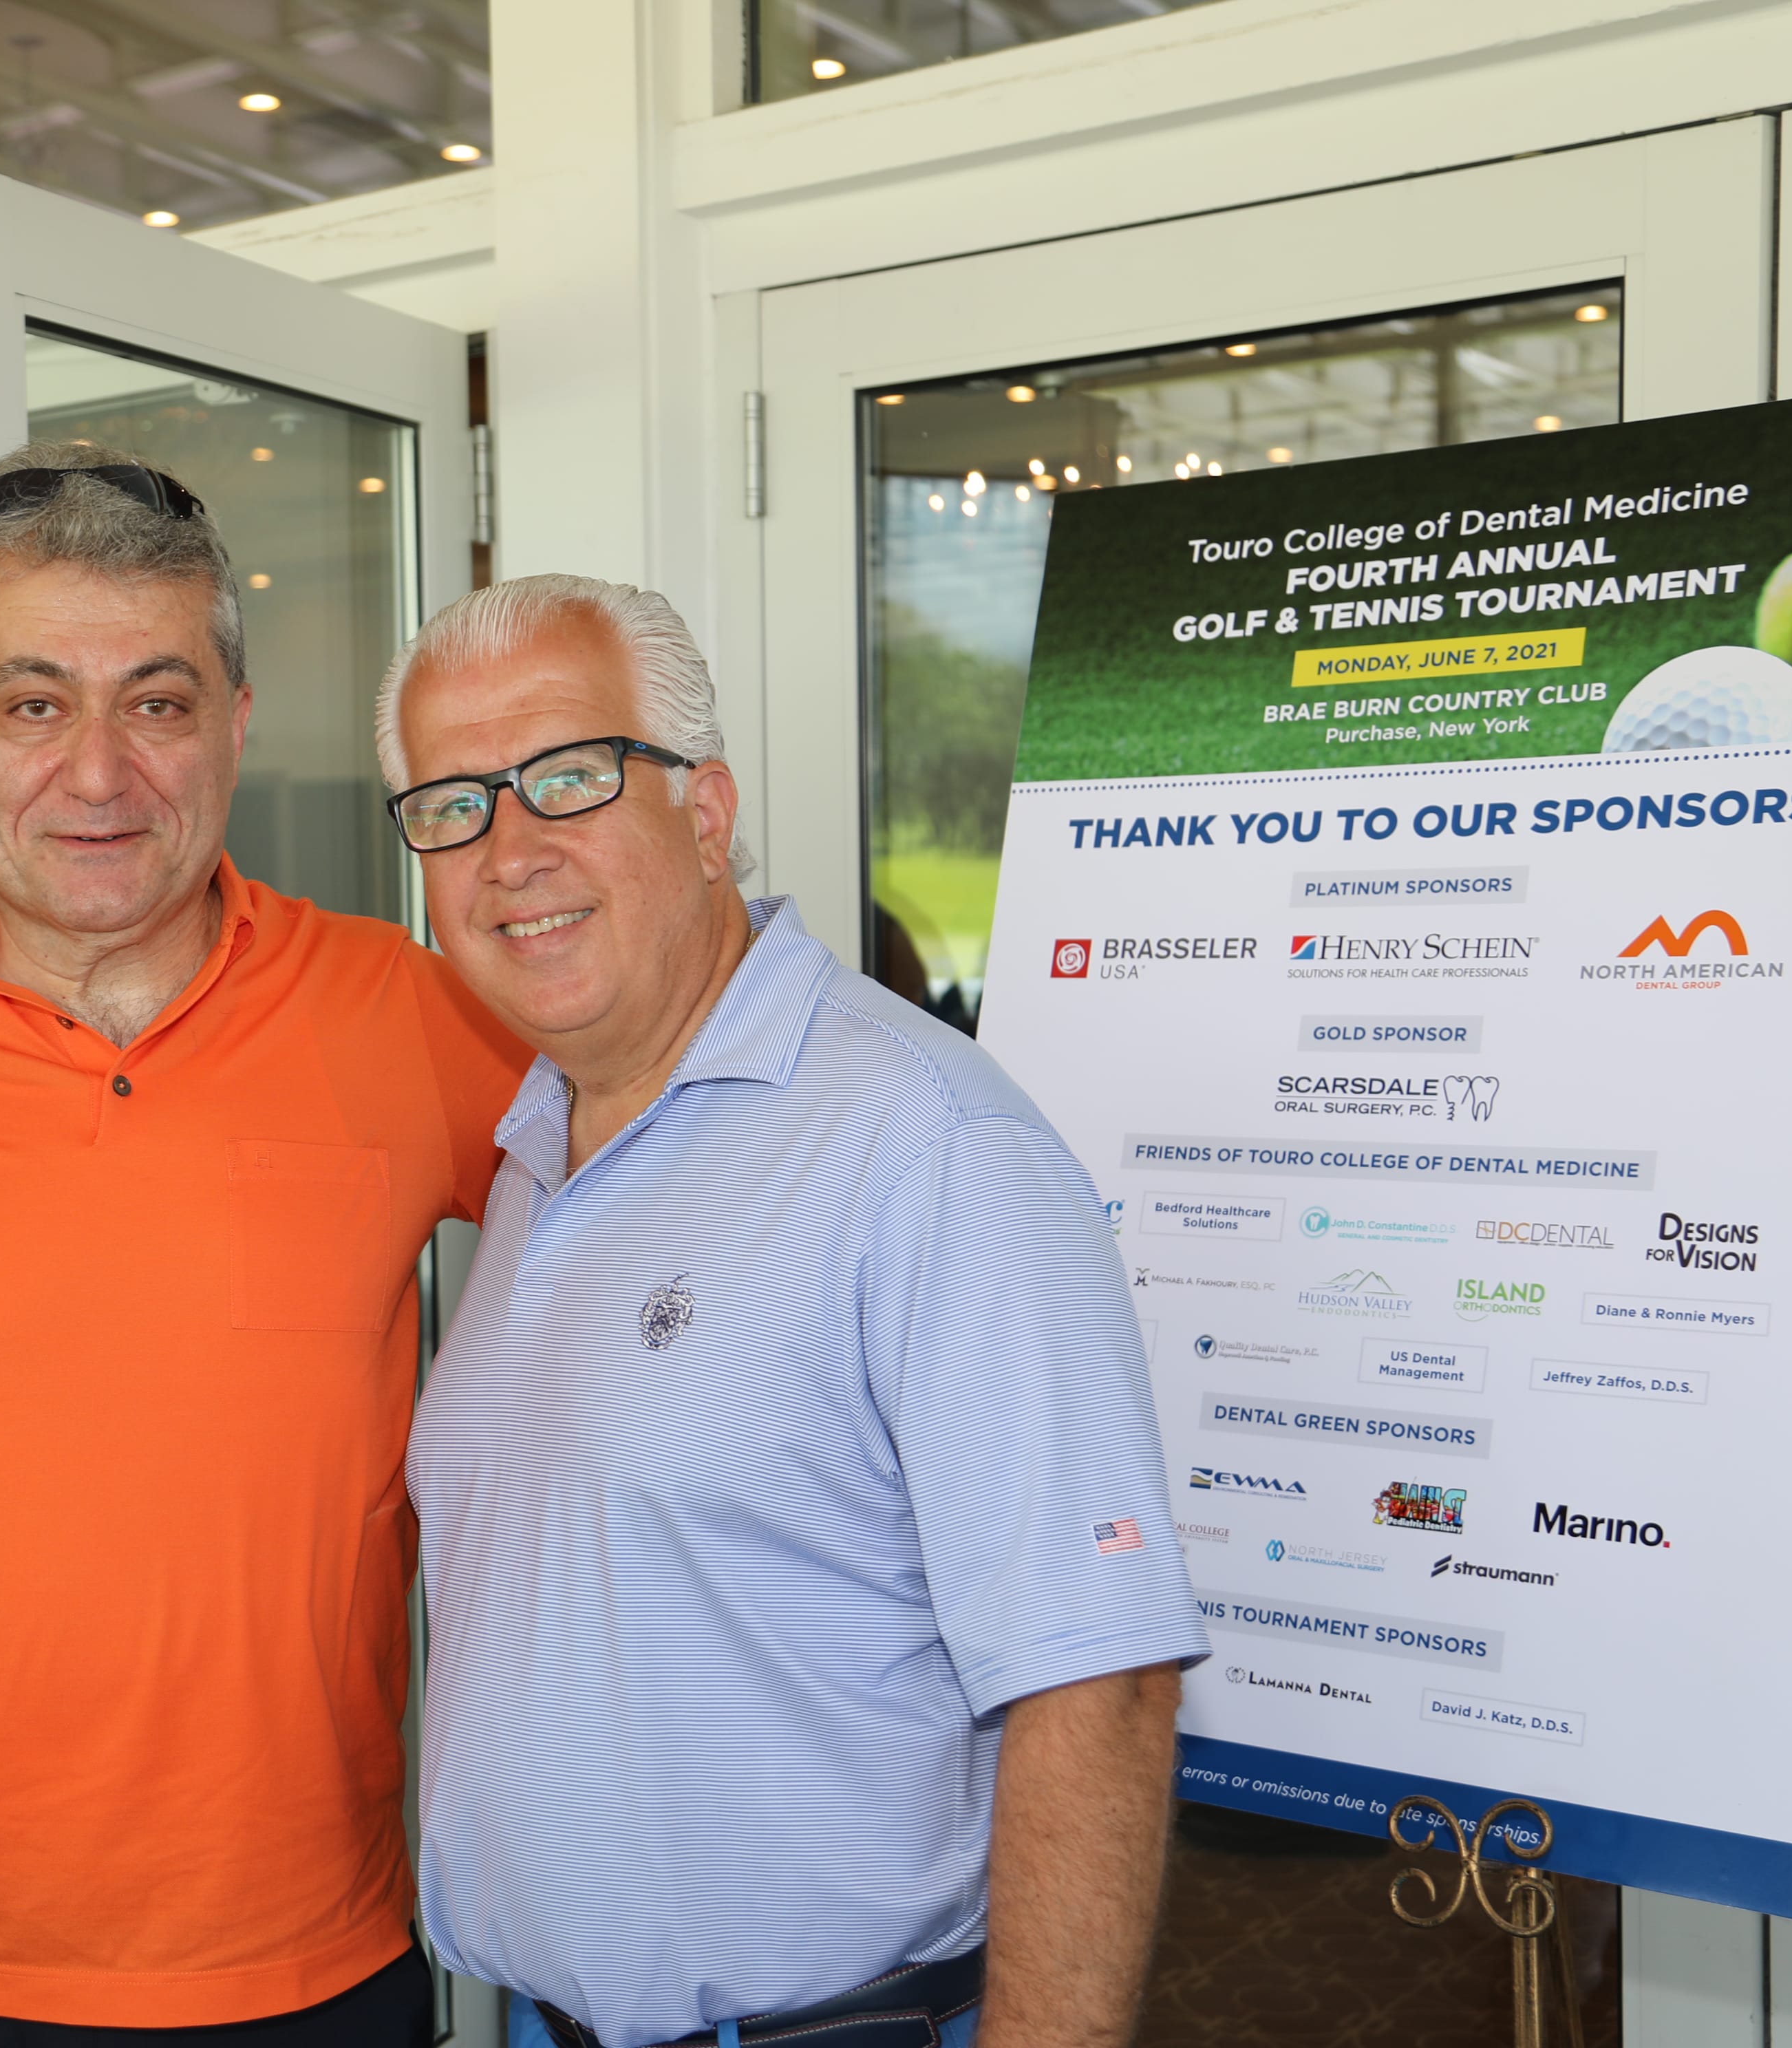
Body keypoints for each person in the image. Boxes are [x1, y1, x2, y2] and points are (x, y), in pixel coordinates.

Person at [0, 442, 531, 2047]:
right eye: (35, 702)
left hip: (307, 1953)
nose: (100, 773)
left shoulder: (407, 1011)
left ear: (235, 728)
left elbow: (670, 1221)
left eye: (158, 703)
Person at [382, 575, 1209, 2048]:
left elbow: (1105, 1686)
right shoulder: (535, 1153)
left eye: (567, 779)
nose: (509, 851)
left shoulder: (922, 1141)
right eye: (451, 803)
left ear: (706, 813)